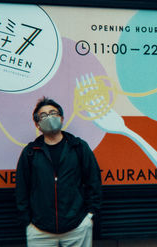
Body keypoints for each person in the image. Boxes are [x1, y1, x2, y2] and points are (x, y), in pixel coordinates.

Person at [15, 97, 102, 247]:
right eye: (43, 115)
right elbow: (21, 189)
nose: (49, 117)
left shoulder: (79, 147)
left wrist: (89, 216)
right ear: (37, 124)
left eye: (53, 113)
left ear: (61, 118)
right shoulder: (30, 152)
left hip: (77, 228)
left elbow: (93, 181)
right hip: (39, 231)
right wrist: (27, 222)